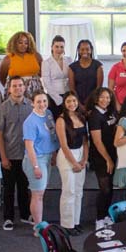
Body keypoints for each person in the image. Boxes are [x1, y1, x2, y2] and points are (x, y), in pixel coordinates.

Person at [0, 75, 32, 230]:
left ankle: (25, 214)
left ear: (24, 87)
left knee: (24, 186)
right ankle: (8, 217)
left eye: (20, 85)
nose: (17, 88)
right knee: (9, 188)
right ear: (9, 89)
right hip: (9, 155)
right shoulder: (3, 107)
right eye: (14, 86)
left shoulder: (30, 106)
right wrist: (3, 157)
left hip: (26, 155)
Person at [22, 93, 58, 228]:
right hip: (36, 159)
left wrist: (54, 154)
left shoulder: (48, 114)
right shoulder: (30, 122)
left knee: (41, 193)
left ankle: (39, 221)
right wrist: (35, 166)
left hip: (48, 157)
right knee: (38, 194)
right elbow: (29, 146)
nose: (42, 104)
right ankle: (38, 227)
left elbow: (52, 136)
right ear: (32, 103)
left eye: (44, 101)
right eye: (38, 102)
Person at [54, 91, 88, 234]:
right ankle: (67, 225)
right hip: (67, 156)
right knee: (69, 191)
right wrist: (74, 163)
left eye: (74, 101)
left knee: (79, 191)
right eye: (68, 101)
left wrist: (84, 160)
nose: (72, 104)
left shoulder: (81, 117)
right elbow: (63, 144)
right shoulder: (61, 120)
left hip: (80, 154)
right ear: (64, 103)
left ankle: (76, 221)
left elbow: (86, 142)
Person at [86, 86, 118, 229]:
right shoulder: (94, 116)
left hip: (112, 153)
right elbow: (97, 142)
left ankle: (105, 215)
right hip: (100, 157)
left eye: (108, 97)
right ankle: (99, 218)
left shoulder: (109, 113)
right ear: (96, 98)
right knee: (104, 188)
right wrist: (108, 159)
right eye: (102, 97)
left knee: (110, 187)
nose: (105, 100)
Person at [0, 31, 44, 97]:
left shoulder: (36, 56)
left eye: (26, 43)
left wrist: (32, 81)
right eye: (20, 43)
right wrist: (13, 86)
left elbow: (43, 73)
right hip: (16, 91)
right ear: (14, 43)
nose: (23, 45)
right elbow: (1, 77)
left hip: (35, 90)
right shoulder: (8, 59)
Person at [69, 40, 104, 107]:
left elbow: (98, 87)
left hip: (94, 102)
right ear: (78, 51)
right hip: (76, 103)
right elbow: (72, 89)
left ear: (91, 50)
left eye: (87, 49)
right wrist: (79, 104)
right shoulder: (72, 67)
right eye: (82, 49)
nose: (85, 51)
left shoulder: (98, 66)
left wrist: (89, 102)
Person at [41, 36, 71, 107]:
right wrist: (59, 99)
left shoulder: (69, 60)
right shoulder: (46, 63)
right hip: (53, 97)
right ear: (52, 47)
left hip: (68, 94)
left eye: (62, 47)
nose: (59, 49)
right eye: (56, 47)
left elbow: (71, 78)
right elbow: (46, 83)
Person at [108, 41, 126, 109]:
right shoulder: (115, 67)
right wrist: (117, 105)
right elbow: (110, 88)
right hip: (121, 105)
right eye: (124, 51)